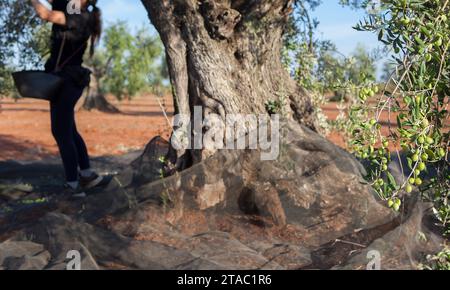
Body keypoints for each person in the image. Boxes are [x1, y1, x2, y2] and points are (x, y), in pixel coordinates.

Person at [30, 0, 104, 198]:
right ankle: (87, 175)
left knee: (61, 132)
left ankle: (72, 186)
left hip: (67, 82)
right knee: (69, 130)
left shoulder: (78, 16)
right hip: (67, 81)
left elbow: (45, 14)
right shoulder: (77, 12)